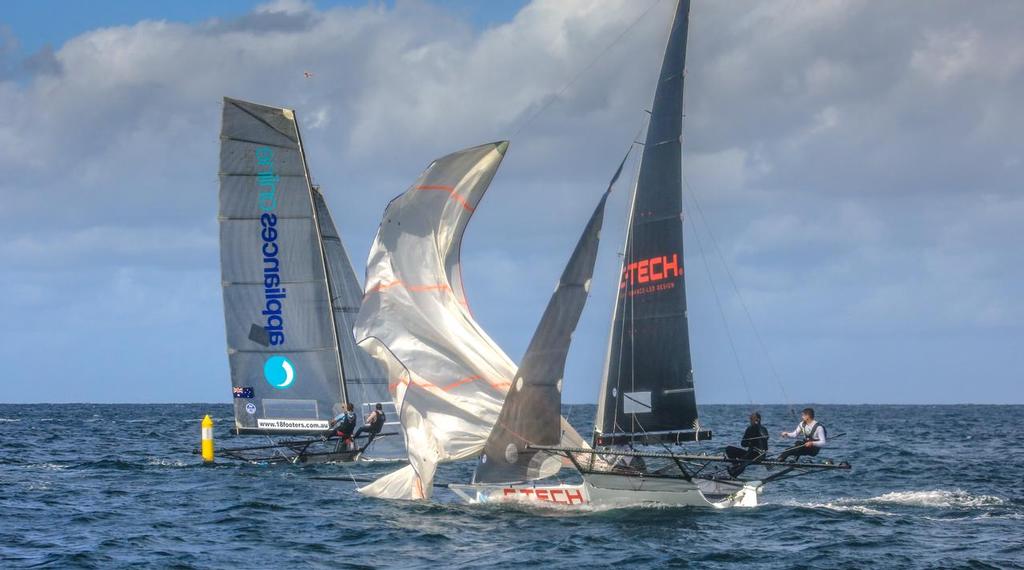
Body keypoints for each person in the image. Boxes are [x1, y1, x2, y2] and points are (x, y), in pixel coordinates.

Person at [724, 411, 769, 478]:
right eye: (750, 419)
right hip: (752, 454)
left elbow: (765, 438)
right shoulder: (751, 429)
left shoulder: (761, 429)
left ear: (757, 420)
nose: (750, 421)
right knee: (729, 449)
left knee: (744, 459)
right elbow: (743, 443)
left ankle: (734, 473)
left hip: (758, 455)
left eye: (752, 419)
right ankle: (735, 465)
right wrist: (750, 442)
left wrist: (757, 427)